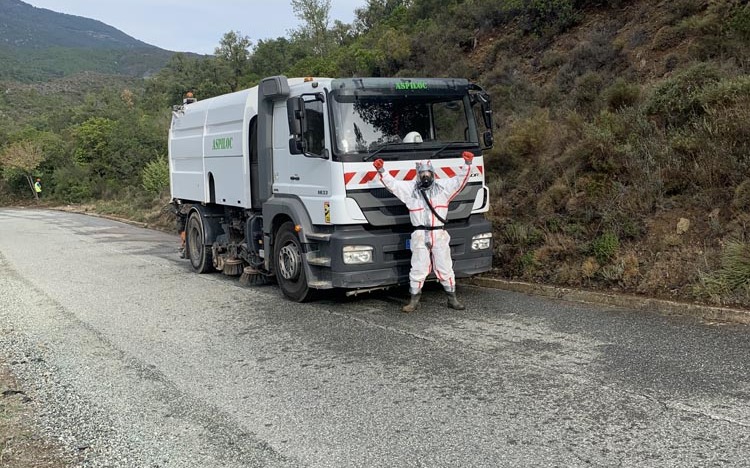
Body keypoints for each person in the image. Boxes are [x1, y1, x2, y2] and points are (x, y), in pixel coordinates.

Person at [373, 151, 474, 313]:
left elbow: (459, 181)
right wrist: (382, 171)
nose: (425, 176)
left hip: (438, 234)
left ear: (433, 173)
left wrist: (467, 165)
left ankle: (452, 298)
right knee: (418, 267)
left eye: (427, 173)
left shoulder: (443, 189)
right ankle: (414, 300)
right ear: (417, 175)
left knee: (445, 266)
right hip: (419, 234)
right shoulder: (410, 190)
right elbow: (393, 185)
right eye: (422, 174)